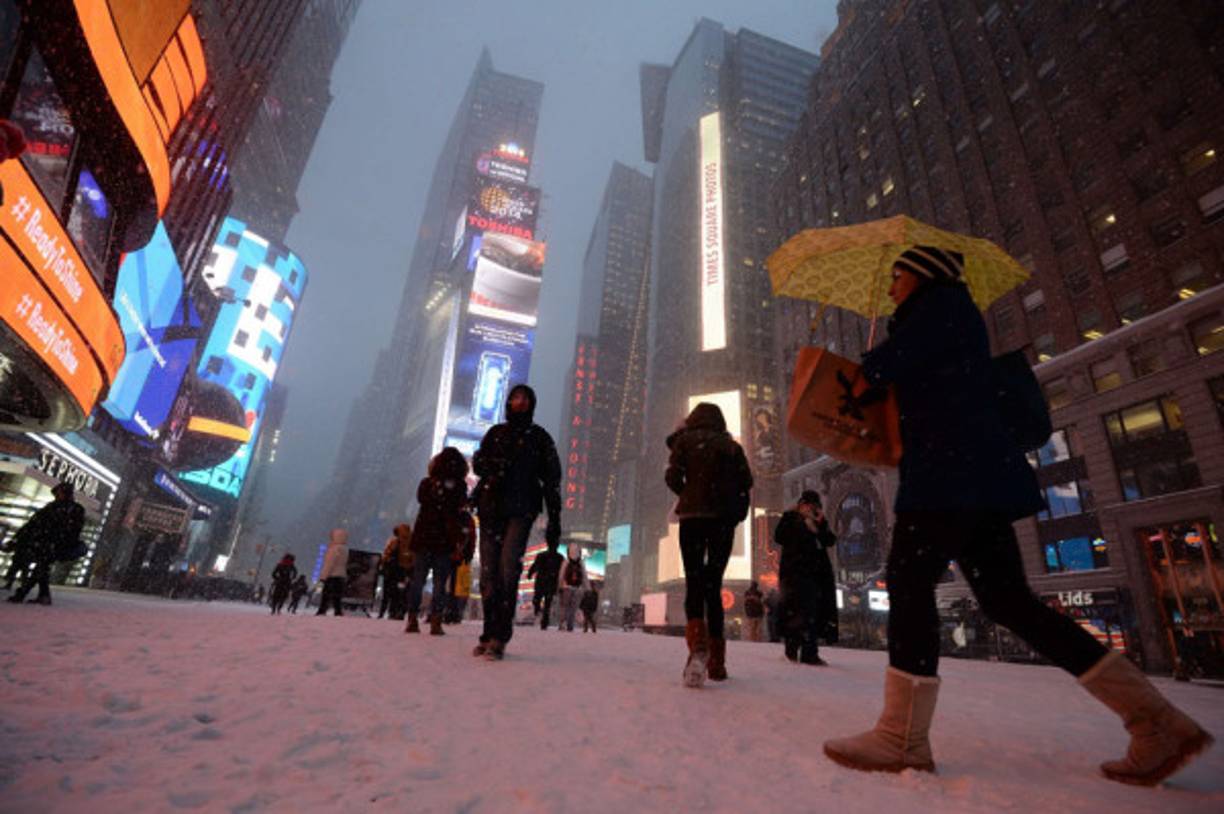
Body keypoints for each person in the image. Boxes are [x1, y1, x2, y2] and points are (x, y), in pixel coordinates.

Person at [823, 246, 1213, 783]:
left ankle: (901, 738)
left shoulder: (940, 309)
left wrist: (871, 363)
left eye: (897, 276)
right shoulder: (948, 314)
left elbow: (889, 367)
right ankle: (1154, 720)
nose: (891, 287)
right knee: (1009, 602)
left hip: (947, 476)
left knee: (911, 586)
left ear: (923, 276)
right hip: (972, 476)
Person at [471, 384, 562, 660]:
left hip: (521, 511)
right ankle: (488, 633)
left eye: (524, 398)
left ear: (532, 404)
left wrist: (554, 519)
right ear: (508, 402)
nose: (519, 402)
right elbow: (479, 464)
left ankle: (500, 636)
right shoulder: (496, 433)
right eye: (515, 397)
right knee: (488, 575)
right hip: (490, 508)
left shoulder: (539, 438)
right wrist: (490, 465)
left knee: (508, 570)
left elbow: (552, 480)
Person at [665, 402, 754, 686]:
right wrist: (735, 514)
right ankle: (718, 662)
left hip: (692, 518)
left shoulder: (685, 441)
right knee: (713, 586)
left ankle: (697, 647)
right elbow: (746, 483)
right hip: (721, 521)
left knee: (693, 582)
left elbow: (671, 477)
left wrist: (689, 493)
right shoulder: (731, 446)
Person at [408, 448, 468, 635]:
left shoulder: (427, 483)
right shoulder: (460, 486)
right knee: (440, 584)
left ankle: (412, 618)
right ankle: (436, 621)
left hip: (423, 537)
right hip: (445, 539)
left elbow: (421, 500)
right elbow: (460, 512)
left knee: (418, 580)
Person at [774, 491, 838, 665]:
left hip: (815, 575)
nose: (811, 509)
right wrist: (801, 525)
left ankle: (810, 652)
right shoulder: (790, 518)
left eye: (815, 506)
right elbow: (779, 537)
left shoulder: (819, 522)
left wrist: (819, 527)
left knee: (812, 613)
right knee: (794, 611)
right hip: (794, 575)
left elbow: (830, 540)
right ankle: (792, 649)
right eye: (808, 505)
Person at [6, 482, 85, 606]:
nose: (57, 496)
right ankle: (40, 595)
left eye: (59, 493)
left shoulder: (67, 509)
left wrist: (58, 540)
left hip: (52, 544)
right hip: (47, 544)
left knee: (41, 568)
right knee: (41, 569)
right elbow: (33, 524)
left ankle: (25, 594)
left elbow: (35, 524)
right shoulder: (59, 508)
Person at [527, 539, 564, 630]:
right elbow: (562, 572)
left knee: (539, 600)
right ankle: (544, 620)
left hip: (542, 582)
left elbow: (535, 566)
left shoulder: (542, 556)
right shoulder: (559, 558)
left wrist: (530, 574)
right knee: (547, 603)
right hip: (550, 583)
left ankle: (541, 616)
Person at [380, 524, 413, 621]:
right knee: (402, 593)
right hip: (405, 571)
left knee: (392, 592)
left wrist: (384, 562)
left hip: (395, 571)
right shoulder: (412, 543)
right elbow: (414, 558)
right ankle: (400, 611)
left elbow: (387, 554)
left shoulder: (394, 541)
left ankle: (392, 611)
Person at [315, 529, 349, 617]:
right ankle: (338, 612)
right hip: (341, 575)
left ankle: (322, 611)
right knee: (337, 596)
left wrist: (322, 577)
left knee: (326, 595)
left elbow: (329, 564)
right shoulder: (345, 549)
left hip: (331, 575)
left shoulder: (334, 549)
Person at [558, 543, 587, 632]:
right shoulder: (581, 563)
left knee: (565, 606)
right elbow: (585, 576)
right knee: (573, 608)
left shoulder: (566, 561)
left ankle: (563, 623)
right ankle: (570, 625)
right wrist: (587, 588)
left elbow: (561, 575)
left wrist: (559, 586)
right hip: (577, 588)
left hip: (566, 587)